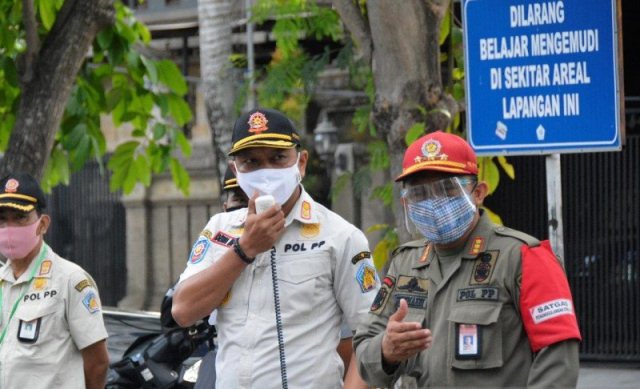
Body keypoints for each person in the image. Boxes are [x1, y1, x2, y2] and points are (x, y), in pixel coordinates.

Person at [354, 131, 582, 387]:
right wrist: (386, 352)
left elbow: (558, 357)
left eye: (447, 189)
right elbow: (364, 351)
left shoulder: (523, 256)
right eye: (420, 194)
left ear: (479, 192)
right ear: (407, 203)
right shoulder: (404, 263)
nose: (433, 202)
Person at [172, 108, 378, 388]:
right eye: (251, 162)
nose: (265, 171)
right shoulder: (219, 228)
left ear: (301, 163)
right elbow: (183, 311)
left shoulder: (339, 236)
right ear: (236, 170)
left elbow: (369, 337)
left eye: (278, 158)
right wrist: (244, 250)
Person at [0, 173, 109, 388]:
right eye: (2, 219)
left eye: (20, 218)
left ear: (42, 224)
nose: (9, 228)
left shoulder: (70, 280)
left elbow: (98, 363)